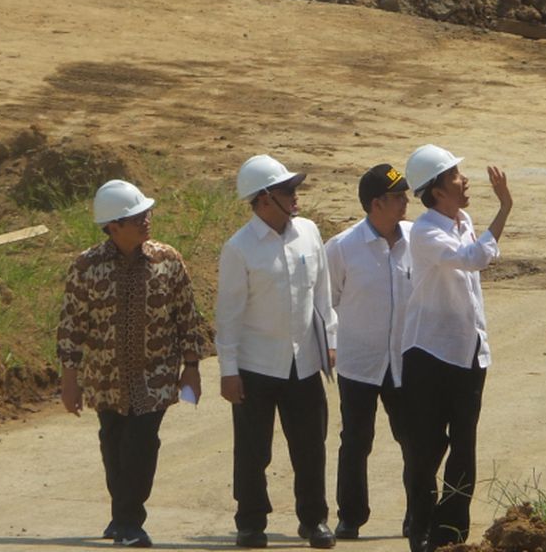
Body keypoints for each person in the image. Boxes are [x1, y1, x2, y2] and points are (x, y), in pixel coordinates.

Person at [56, 179, 207, 549]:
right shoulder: (86, 267)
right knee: (114, 445)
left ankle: (130, 522)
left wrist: (191, 367)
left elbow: (187, 316)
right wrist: (69, 378)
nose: (145, 221)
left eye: (146, 213)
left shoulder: (167, 261)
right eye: (135, 217)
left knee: (142, 445)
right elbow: (72, 325)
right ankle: (120, 511)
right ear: (112, 227)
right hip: (106, 380)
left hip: (154, 380)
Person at [217, 154, 339, 550]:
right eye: (288, 191)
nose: (296, 196)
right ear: (265, 199)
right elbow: (229, 315)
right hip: (256, 365)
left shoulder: (308, 232)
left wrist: (330, 343)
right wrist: (228, 370)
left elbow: (321, 296)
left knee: (310, 446)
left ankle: (314, 520)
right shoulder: (240, 249)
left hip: (303, 360)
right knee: (253, 450)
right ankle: (251, 522)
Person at [400, 144, 513, 552]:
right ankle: (421, 523)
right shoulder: (426, 231)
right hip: (429, 353)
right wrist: (504, 210)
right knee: (426, 448)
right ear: (436, 192)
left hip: (468, 351)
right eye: (455, 177)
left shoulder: (462, 220)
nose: (464, 181)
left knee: (464, 445)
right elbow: (475, 258)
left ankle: (450, 534)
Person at [326, 164, 414, 541]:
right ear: (376, 204)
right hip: (359, 362)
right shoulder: (343, 247)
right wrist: (330, 347)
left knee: (414, 440)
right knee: (356, 440)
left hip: (407, 361)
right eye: (398, 197)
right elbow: (327, 303)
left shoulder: (417, 239)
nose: (406, 203)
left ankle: (417, 514)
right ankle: (350, 516)